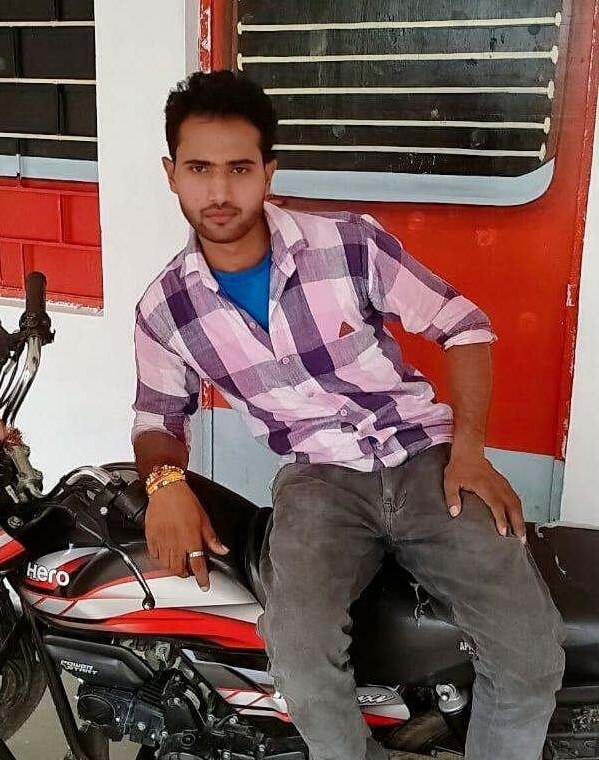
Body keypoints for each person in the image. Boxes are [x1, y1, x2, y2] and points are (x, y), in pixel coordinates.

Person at [132, 70, 565, 760]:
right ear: (171, 174)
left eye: (239, 168)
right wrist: (165, 484)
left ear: (268, 171)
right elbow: (157, 418)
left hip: (426, 461)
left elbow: (464, 327)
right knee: (298, 659)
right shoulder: (166, 311)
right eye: (199, 168)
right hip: (318, 482)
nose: (219, 192)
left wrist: (471, 450)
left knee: (531, 654)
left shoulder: (347, 244)